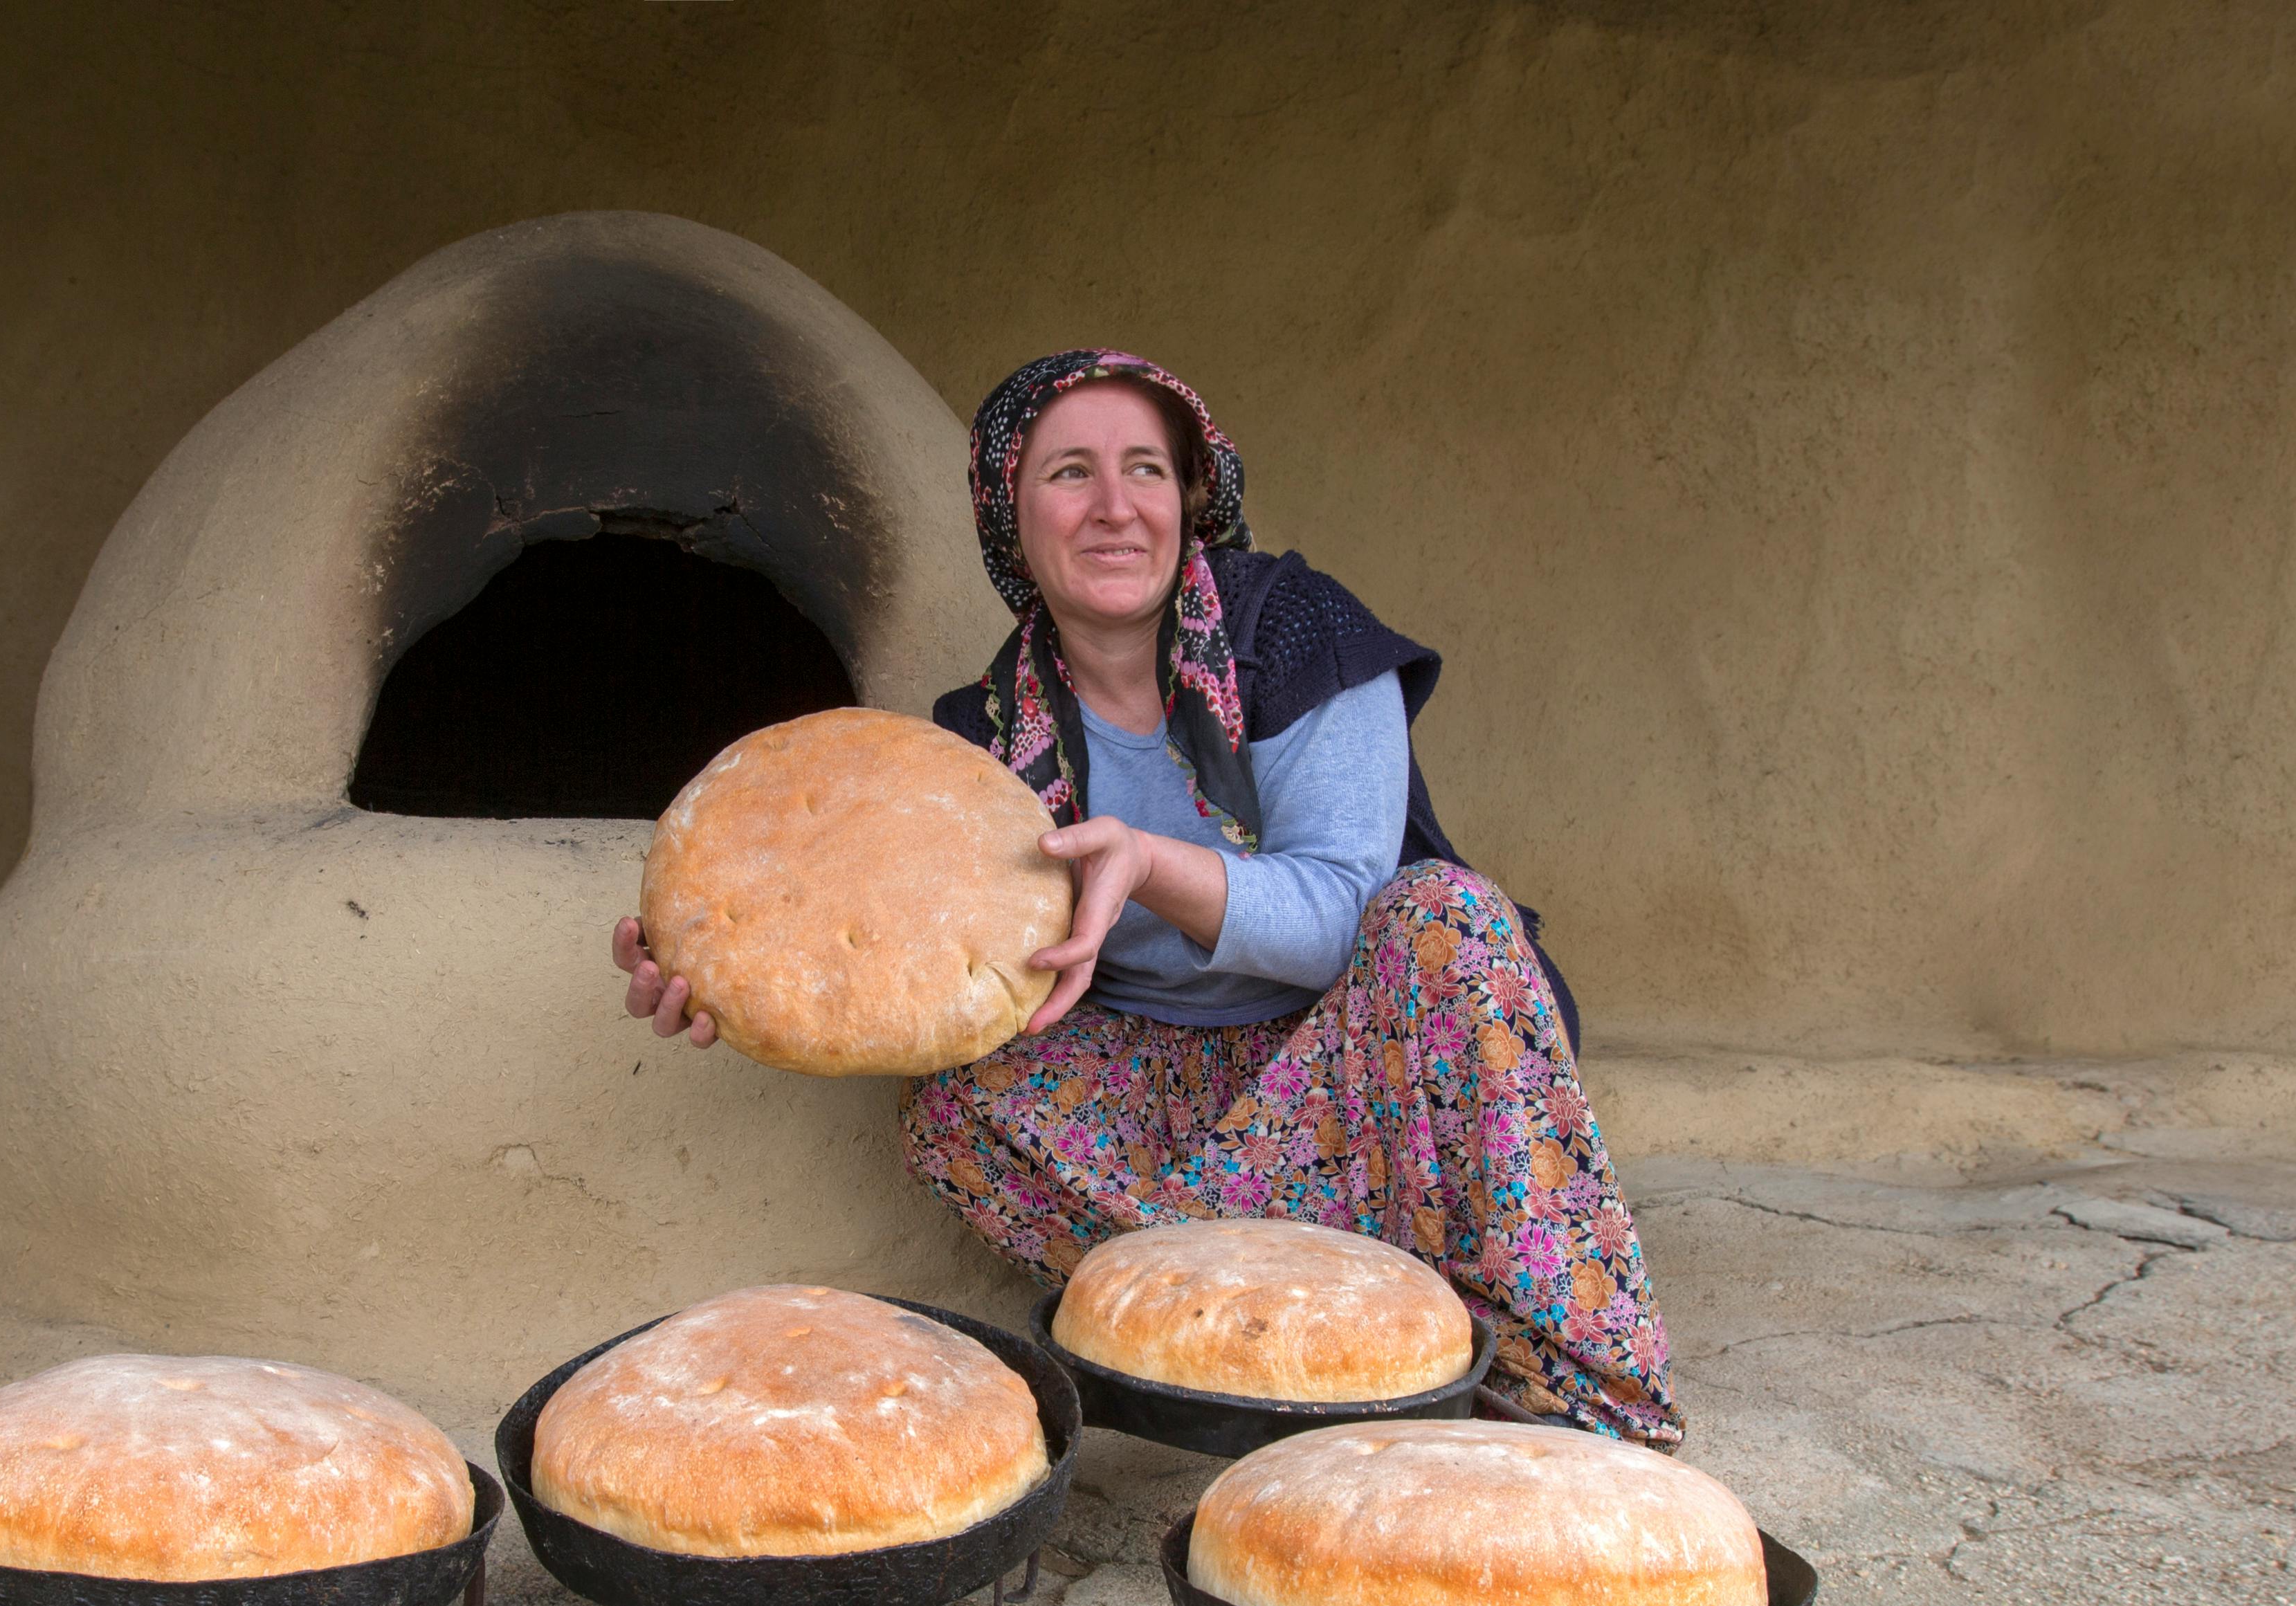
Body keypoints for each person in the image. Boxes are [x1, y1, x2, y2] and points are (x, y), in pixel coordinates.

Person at [614, 351, 1679, 1447]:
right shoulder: (983, 736)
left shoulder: (1292, 631)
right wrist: (735, 977)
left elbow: (1342, 918)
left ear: (1190, 497)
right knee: (953, 1103)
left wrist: (1151, 861)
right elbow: (915, 966)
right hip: (1158, 1085)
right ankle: (1296, 1341)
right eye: (1070, 474)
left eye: (1147, 471)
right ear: (1009, 515)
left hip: (1359, 1057)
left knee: (1445, 915)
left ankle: (1568, 1399)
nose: (1115, 508)